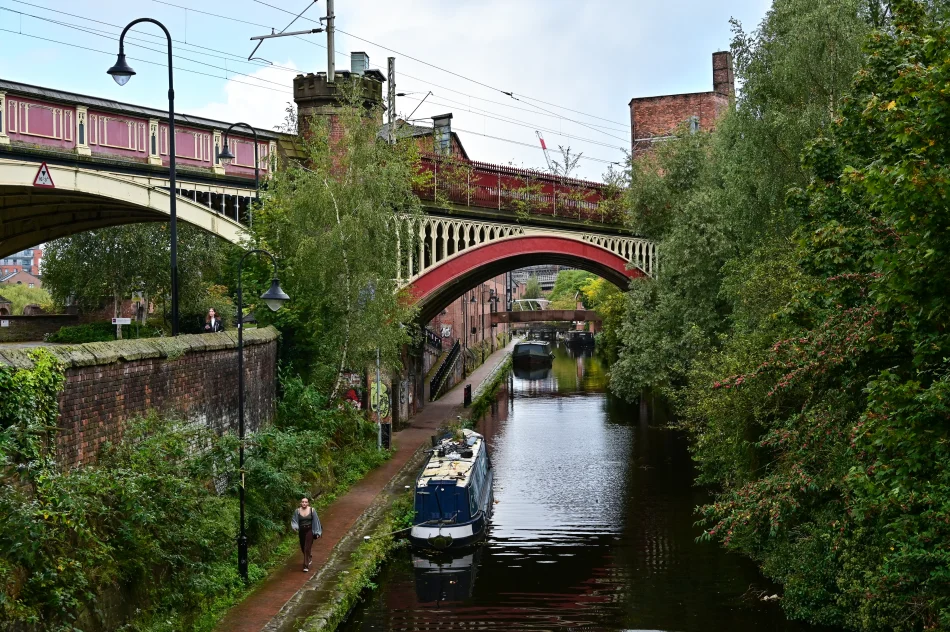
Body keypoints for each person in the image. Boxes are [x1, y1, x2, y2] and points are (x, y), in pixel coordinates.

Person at [291, 497, 322, 572]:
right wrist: (295, 527)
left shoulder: (312, 510)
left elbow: (316, 521)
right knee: (302, 547)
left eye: (306, 502)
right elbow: (294, 520)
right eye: (303, 502)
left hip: (309, 530)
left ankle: (305, 566)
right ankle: (309, 557)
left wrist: (317, 532)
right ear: (300, 503)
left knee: (306, 547)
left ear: (308, 503)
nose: (304, 503)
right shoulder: (297, 511)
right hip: (301, 531)